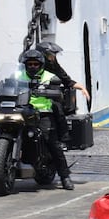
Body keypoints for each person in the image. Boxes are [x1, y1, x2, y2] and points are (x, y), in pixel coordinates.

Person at [19, 49, 75, 190]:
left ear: (41, 65)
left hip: (43, 113)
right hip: (21, 111)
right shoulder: (18, 76)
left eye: (35, 64)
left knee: (53, 143)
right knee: (0, 133)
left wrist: (50, 91)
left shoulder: (49, 77)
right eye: (29, 64)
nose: (32, 66)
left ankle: (64, 176)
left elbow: (58, 91)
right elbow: (7, 85)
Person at [35, 41, 91, 143]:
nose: (53, 58)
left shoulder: (54, 66)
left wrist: (82, 88)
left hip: (48, 96)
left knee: (58, 110)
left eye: (53, 55)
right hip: (31, 96)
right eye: (51, 55)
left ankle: (63, 138)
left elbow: (66, 80)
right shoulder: (30, 64)